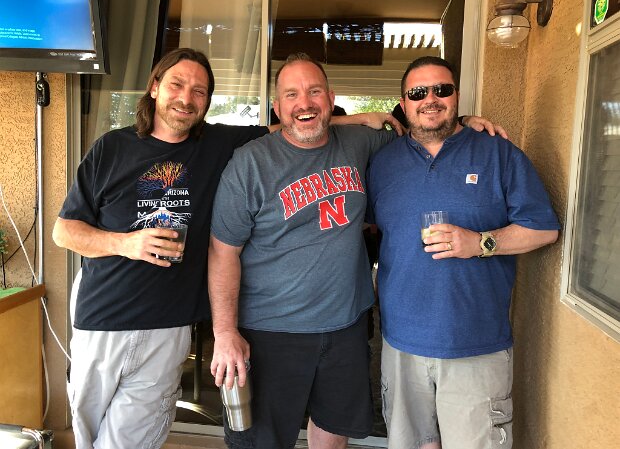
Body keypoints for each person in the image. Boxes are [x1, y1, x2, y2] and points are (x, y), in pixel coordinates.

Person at [52, 47, 404, 449]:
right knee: (86, 433)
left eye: (199, 91)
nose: (186, 98)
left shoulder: (216, 144)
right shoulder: (112, 148)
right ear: (154, 87)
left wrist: (358, 118)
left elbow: (295, 124)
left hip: (169, 323)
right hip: (103, 317)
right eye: (177, 85)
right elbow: (64, 232)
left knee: (133, 440)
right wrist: (127, 243)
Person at [207, 53, 506, 449]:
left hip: (346, 326)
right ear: (277, 107)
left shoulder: (361, 141)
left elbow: (423, 128)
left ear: (331, 99)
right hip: (271, 330)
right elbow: (222, 252)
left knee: (333, 432)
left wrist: (462, 122)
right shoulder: (250, 163)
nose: (304, 102)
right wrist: (225, 332)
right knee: (262, 440)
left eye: (315, 92)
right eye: (292, 94)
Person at [366, 56, 560, 449]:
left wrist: (480, 243)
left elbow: (544, 229)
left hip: (476, 344)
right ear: (403, 103)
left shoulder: (498, 154)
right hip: (401, 344)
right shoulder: (383, 163)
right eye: (418, 92)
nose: (430, 99)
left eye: (442, 89)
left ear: (456, 96)